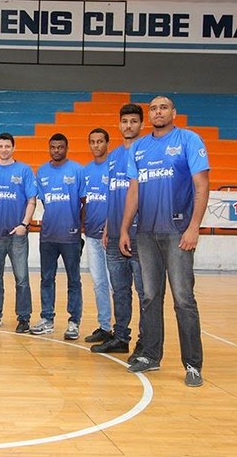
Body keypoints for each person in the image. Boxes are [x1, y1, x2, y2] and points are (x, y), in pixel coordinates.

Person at [120, 96, 209, 387]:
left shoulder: (189, 140)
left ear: (174, 112)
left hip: (178, 233)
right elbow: (133, 192)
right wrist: (124, 229)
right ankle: (150, 355)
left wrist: (194, 226)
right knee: (149, 297)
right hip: (145, 233)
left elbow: (201, 186)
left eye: (163, 107)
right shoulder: (140, 147)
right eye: (154, 108)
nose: (158, 112)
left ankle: (193, 364)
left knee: (183, 299)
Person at [91, 104, 145, 358]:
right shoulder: (112, 157)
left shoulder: (146, 151)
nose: (129, 125)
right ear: (119, 124)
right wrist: (108, 227)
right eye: (125, 121)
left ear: (141, 125)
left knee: (146, 292)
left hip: (139, 235)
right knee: (120, 290)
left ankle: (146, 343)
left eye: (134, 121)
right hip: (113, 235)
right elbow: (112, 195)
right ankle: (121, 337)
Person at [31, 133, 86, 340]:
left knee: (74, 280)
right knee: (47, 278)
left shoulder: (78, 170)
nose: (56, 150)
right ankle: (47, 319)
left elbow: (84, 202)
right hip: (48, 236)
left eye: (60, 147)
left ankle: (74, 322)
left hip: (71, 236)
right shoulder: (42, 171)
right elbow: (44, 202)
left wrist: (78, 228)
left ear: (66, 148)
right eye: (53, 147)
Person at [0, 133, 36, 332]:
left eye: (7, 146)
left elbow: (31, 200)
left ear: (13, 148)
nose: (4, 149)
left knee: (22, 278)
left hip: (17, 235)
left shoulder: (24, 170)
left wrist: (24, 224)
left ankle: (24, 317)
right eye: (0, 146)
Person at [82, 128, 113, 343]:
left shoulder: (114, 168)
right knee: (99, 282)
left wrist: (110, 228)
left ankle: (122, 329)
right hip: (92, 236)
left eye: (100, 141)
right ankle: (105, 326)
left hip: (111, 237)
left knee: (116, 285)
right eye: (92, 141)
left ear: (107, 143)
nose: (96, 145)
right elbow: (84, 201)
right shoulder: (86, 170)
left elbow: (120, 201)